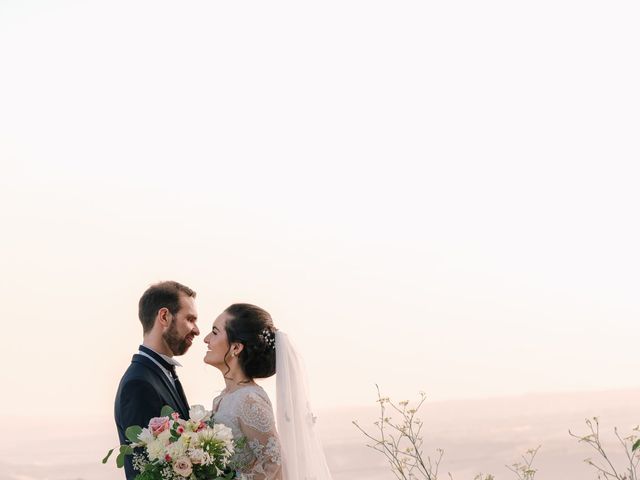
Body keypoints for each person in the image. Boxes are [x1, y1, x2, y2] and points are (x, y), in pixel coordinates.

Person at [204, 303, 333, 480]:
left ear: (236, 348)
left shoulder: (249, 400)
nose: (206, 339)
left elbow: (274, 464)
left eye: (215, 332)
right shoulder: (224, 397)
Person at [114, 281, 200, 480]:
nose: (196, 330)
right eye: (190, 319)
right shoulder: (139, 384)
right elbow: (148, 470)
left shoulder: (161, 373)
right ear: (164, 316)